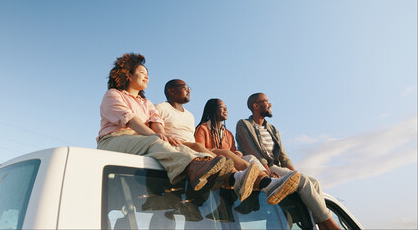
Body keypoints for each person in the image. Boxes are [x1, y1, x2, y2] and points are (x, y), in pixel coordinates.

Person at [96, 53, 258, 201]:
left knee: (174, 145)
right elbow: (131, 120)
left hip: (140, 140)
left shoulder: (146, 103)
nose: (147, 77)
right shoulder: (113, 94)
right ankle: (196, 170)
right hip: (114, 139)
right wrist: (156, 136)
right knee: (156, 143)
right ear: (128, 75)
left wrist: (163, 136)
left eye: (148, 74)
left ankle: (236, 177)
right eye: (142, 73)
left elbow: (157, 123)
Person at [155, 79, 300, 205]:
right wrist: (164, 137)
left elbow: (229, 148)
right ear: (171, 90)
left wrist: (236, 152)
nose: (188, 90)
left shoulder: (189, 115)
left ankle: (264, 181)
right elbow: (158, 130)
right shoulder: (162, 108)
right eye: (185, 87)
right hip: (183, 147)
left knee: (245, 157)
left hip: (195, 149)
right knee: (222, 153)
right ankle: (263, 181)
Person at [236, 92, 341, 230]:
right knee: (302, 180)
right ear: (256, 106)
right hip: (262, 167)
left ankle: (320, 224)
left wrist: (294, 174)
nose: (270, 104)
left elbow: (283, 156)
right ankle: (330, 224)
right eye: (266, 101)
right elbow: (251, 150)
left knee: (313, 182)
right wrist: (269, 175)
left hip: (275, 165)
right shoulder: (244, 124)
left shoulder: (272, 129)